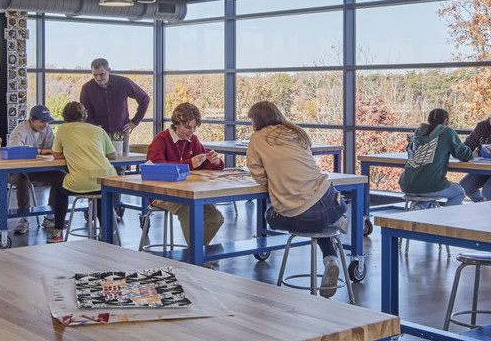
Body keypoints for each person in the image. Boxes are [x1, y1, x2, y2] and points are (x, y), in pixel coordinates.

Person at [245, 100, 345, 297]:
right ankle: (331, 258)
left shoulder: (257, 138)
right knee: (322, 218)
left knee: (270, 216)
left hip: (301, 214)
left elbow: (258, 175)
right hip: (327, 196)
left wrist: (275, 178)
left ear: (256, 120)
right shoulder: (295, 131)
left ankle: (332, 221)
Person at [146, 101, 226, 247]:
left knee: (216, 218)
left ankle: (196, 253)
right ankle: (199, 257)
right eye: (187, 127)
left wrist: (215, 162)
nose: (191, 132)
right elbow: (155, 168)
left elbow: (204, 164)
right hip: (161, 193)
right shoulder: (161, 139)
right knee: (187, 209)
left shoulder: (193, 141)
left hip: (188, 193)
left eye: (194, 128)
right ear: (176, 123)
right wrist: (190, 164)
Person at [49, 101, 116, 238]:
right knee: (99, 191)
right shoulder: (98, 130)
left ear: (65, 115)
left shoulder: (63, 129)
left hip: (82, 180)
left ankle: (57, 232)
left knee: (59, 190)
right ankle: (106, 230)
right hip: (108, 178)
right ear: (84, 115)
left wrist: (71, 153)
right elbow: (112, 155)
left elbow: (55, 154)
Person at [4, 104, 59, 235]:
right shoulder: (20, 130)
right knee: (23, 180)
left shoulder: (47, 129)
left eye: (46, 121)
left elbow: (51, 148)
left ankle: (50, 216)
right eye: (41, 121)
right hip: (15, 170)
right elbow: (15, 150)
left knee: (60, 177)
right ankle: (24, 219)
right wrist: (40, 151)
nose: (44, 124)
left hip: (36, 169)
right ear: (32, 119)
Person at [399, 108, 472, 206]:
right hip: (430, 185)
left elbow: (410, 150)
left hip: (407, 184)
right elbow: (463, 154)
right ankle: (443, 220)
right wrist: (471, 153)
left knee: (426, 192)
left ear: (428, 120)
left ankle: (419, 208)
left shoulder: (418, 132)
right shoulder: (447, 132)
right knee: (459, 192)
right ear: (446, 121)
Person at [79, 57, 150, 157]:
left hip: (120, 134)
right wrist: (96, 129)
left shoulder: (123, 83)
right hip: (97, 135)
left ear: (108, 71)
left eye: (101, 74)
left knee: (121, 166)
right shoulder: (87, 88)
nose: (98, 78)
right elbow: (85, 114)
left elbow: (144, 98)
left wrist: (135, 121)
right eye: (95, 75)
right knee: (99, 165)